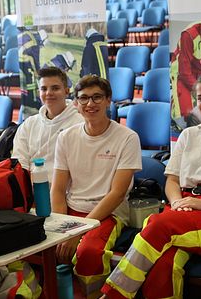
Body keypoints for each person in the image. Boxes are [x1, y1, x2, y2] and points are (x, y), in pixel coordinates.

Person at [101, 71, 201, 299]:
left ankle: (113, 295)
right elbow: (172, 180)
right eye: (200, 98)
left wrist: (198, 206)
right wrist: (177, 201)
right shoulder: (188, 135)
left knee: (156, 224)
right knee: (164, 263)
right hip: (182, 208)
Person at [51, 75, 141, 297]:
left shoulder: (128, 137)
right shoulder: (66, 137)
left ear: (109, 100)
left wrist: (78, 231)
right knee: (37, 245)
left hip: (108, 213)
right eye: (83, 99)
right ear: (76, 104)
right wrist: (64, 230)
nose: (90, 104)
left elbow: (118, 194)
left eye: (97, 97)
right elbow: (58, 189)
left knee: (89, 252)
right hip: (72, 211)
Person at [12, 67, 83, 180]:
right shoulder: (29, 124)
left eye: (55, 88)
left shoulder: (81, 124)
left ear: (66, 91)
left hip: (69, 193)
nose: (49, 93)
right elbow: (20, 163)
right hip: (32, 190)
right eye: (44, 89)